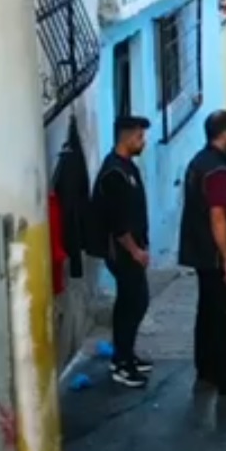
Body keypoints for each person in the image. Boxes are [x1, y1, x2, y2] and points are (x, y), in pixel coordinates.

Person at [179, 109, 226, 410]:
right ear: (225, 133)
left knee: (207, 315)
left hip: (200, 255)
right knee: (224, 321)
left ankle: (207, 372)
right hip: (215, 257)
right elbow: (218, 216)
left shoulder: (199, 163)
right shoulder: (217, 172)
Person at [87, 115, 156, 388]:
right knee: (133, 302)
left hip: (133, 248)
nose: (143, 141)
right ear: (127, 137)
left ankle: (126, 354)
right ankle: (121, 363)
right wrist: (135, 250)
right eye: (139, 136)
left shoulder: (128, 168)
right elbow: (117, 222)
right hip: (122, 251)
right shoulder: (114, 173)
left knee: (134, 302)